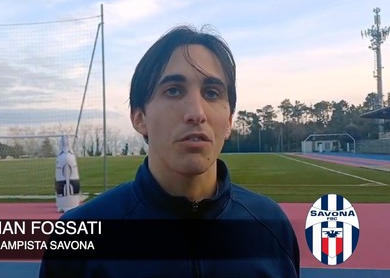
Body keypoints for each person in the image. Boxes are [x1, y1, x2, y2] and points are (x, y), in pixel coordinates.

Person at [39, 25, 300, 278]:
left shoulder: (272, 226)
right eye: (174, 91)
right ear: (140, 117)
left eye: (212, 93)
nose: (196, 113)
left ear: (230, 120)